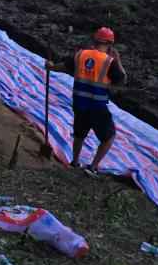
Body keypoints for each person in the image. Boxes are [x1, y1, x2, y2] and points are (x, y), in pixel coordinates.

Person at [45, 27, 127, 177]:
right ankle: (93, 166)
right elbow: (122, 80)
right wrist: (118, 60)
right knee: (109, 137)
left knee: (79, 134)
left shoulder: (80, 55)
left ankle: (75, 162)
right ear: (110, 44)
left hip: (79, 103)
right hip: (97, 107)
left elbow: (63, 66)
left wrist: (51, 67)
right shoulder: (110, 61)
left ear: (95, 40)